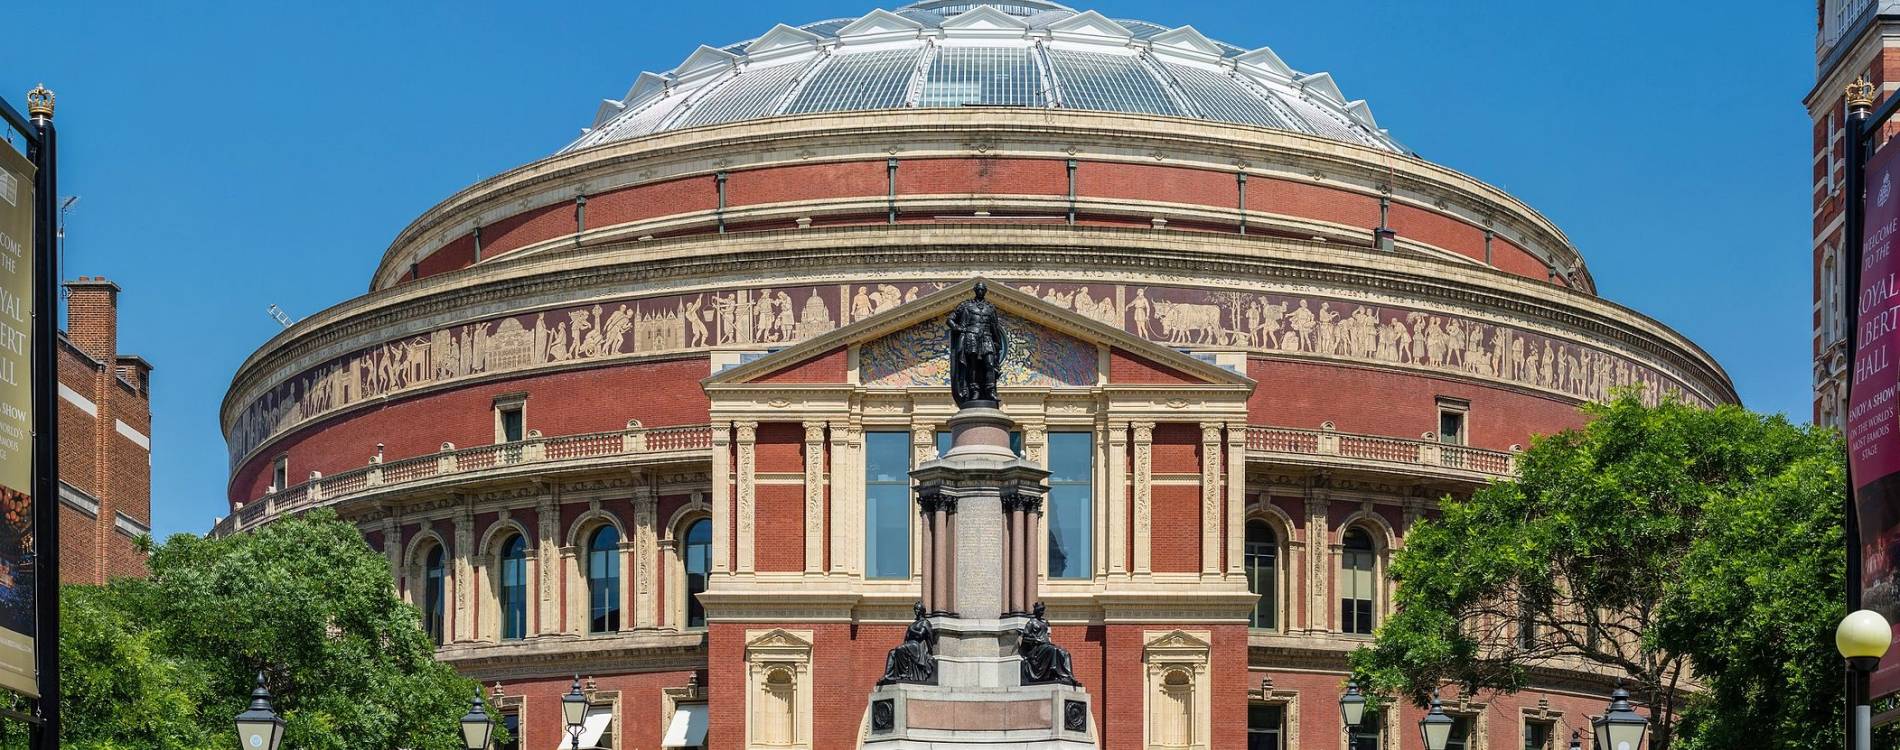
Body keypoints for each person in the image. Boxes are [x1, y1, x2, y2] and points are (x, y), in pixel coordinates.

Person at [1019, 602, 1078, 686]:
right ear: (1036, 611)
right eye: (1040, 611)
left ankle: (1068, 675)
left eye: (1042, 611)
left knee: (1065, 652)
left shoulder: (1044, 622)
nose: (1042, 612)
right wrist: (1035, 640)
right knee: (1053, 650)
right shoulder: (1031, 623)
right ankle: (1054, 671)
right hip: (1037, 648)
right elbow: (1025, 638)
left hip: (1046, 645)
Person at [878, 602, 937, 685]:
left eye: (918, 609)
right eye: (915, 609)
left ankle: (904, 674)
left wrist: (911, 629)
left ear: (921, 611)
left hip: (917, 645)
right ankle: (887, 676)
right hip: (910, 644)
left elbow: (920, 634)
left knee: (899, 649)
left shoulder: (924, 622)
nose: (916, 611)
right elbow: (906, 637)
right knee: (892, 652)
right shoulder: (914, 623)